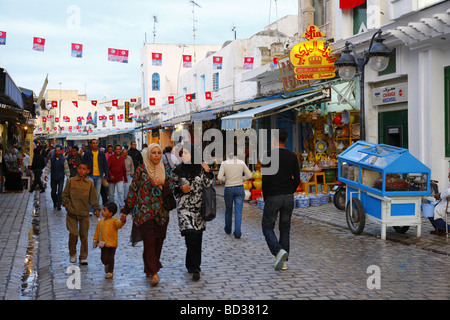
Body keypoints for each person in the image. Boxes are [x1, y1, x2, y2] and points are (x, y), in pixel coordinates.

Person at [120, 143, 174, 285]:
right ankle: (155, 272)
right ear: (148, 154)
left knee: (158, 242)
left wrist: (162, 182)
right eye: (153, 152)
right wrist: (125, 211)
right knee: (149, 240)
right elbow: (132, 191)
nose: (156, 155)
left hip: (162, 213)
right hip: (144, 213)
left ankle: (149, 268)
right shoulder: (141, 170)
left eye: (159, 152)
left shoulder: (165, 169)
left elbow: (173, 186)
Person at [172, 144, 213, 281]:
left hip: (199, 208)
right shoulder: (177, 170)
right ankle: (195, 267)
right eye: (182, 153)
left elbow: (208, 184)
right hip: (184, 208)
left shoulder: (201, 169)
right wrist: (180, 189)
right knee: (190, 236)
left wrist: (208, 171)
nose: (183, 155)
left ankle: (192, 264)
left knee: (197, 237)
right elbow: (172, 189)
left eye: (186, 153)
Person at [261, 128, 300, 271]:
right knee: (285, 228)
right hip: (288, 196)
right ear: (287, 140)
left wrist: (265, 196)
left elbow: (265, 180)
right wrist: (291, 190)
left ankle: (278, 251)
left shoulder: (269, 155)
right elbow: (297, 179)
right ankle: (283, 262)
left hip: (273, 196)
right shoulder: (292, 156)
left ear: (274, 140)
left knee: (267, 226)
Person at [62, 160, 101, 265]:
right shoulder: (71, 181)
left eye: (84, 169)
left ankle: (83, 256)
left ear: (87, 171)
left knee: (84, 236)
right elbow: (64, 195)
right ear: (77, 169)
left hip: (84, 213)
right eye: (80, 168)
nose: (81, 171)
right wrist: (66, 205)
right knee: (74, 233)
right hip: (72, 213)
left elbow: (93, 198)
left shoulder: (89, 184)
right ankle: (72, 253)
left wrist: (96, 209)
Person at [217, 143, 253, 238]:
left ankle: (228, 229)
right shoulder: (241, 163)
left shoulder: (224, 163)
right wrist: (242, 179)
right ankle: (237, 232)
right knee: (238, 210)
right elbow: (249, 175)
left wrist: (227, 180)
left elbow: (219, 177)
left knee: (228, 209)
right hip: (239, 187)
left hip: (228, 188)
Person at [93, 202, 125, 279]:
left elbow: (119, 225)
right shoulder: (100, 222)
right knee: (103, 258)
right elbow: (97, 232)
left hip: (112, 244)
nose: (102, 211)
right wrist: (95, 241)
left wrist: (123, 221)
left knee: (111, 258)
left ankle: (110, 272)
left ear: (110, 213)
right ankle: (106, 264)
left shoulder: (114, 221)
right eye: (103, 209)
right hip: (103, 244)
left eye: (104, 210)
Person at [82, 139, 109, 207]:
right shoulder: (87, 153)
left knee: (97, 193)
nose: (95, 144)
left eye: (96, 143)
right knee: (91, 192)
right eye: (93, 143)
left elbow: (105, 164)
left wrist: (106, 175)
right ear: (91, 144)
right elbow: (83, 163)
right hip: (90, 175)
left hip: (99, 176)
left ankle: (95, 207)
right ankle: (90, 208)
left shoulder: (101, 153)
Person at [429, 171, 450, 236]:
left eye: (449, 175)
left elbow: (448, 192)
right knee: (428, 210)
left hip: (448, 203)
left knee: (433, 212)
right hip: (445, 201)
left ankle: (446, 228)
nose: (448, 176)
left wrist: (440, 195)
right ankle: (439, 229)